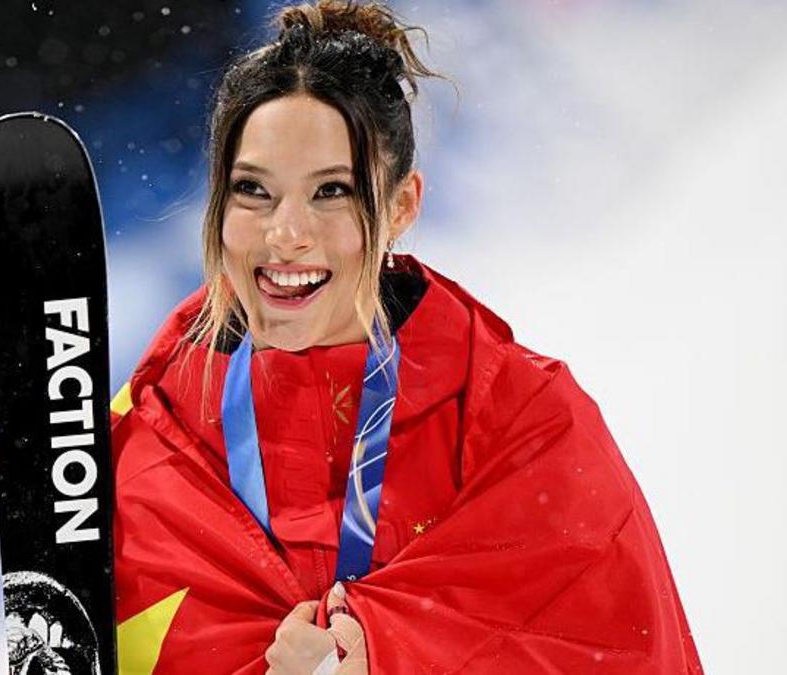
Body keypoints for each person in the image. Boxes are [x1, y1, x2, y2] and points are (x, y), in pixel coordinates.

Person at [110, 1, 702, 672]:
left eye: (332, 191)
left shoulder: (526, 426)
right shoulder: (149, 433)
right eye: (253, 189)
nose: (286, 233)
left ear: (401, 205)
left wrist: (389, 657)